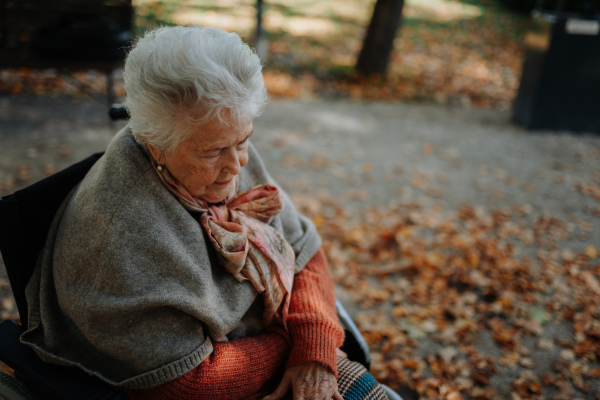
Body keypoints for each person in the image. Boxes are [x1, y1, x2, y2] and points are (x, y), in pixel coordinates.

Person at [21, 25, 388, 400]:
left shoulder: (221, 131)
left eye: (244, 141)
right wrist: (293, 344)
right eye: (213, 153)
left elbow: (304, 250)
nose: (236, 166)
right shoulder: (123, 229)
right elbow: (184, 381)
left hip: (275, 345)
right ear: (155, 143)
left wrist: (314, 346)